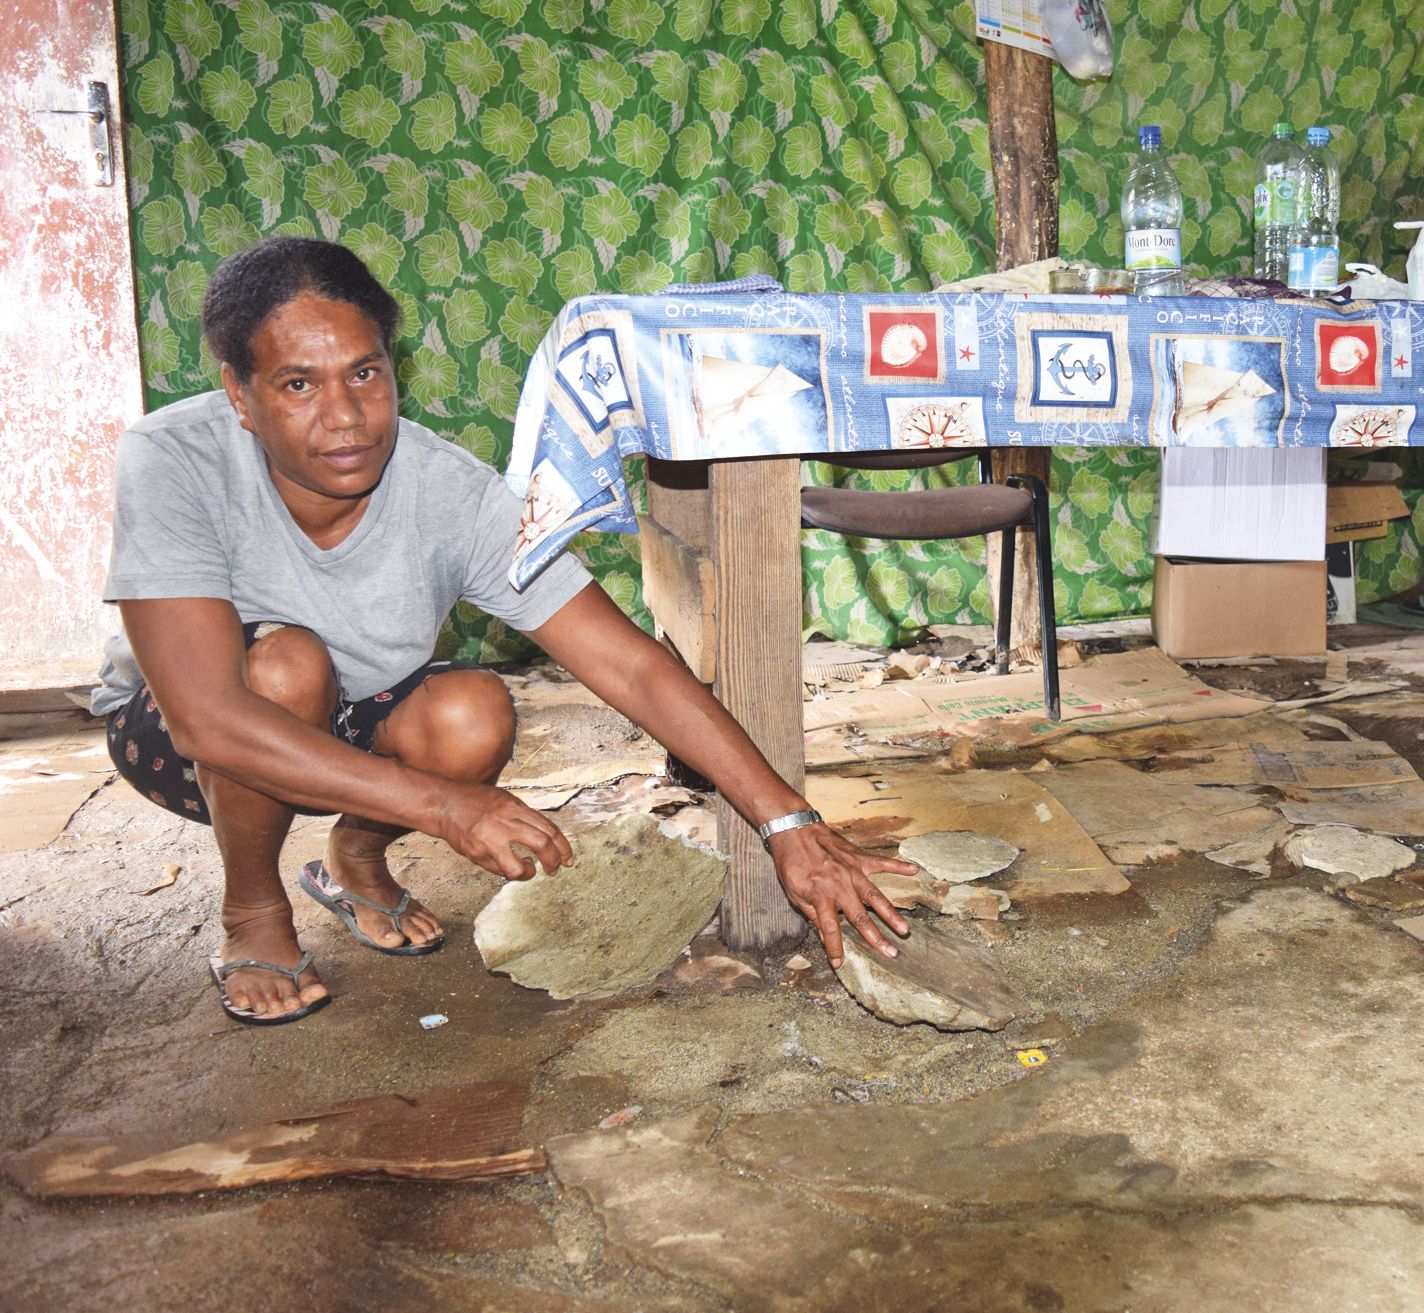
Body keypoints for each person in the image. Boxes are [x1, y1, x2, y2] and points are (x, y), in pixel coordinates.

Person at [95, 236, 914, 1026]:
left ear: (392, 367)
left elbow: (627, 666)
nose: (345, 416)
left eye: (366, 373)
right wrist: (448, 808)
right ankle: (254, 906)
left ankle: (357, 856)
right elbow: (207, 716)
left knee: (473, 711)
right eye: (298, 385)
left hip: (361, 707)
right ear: (241, 396)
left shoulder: (448, 490)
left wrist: (786, 819)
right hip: (183, 735)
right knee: (286, 671)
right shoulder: (173, 460)